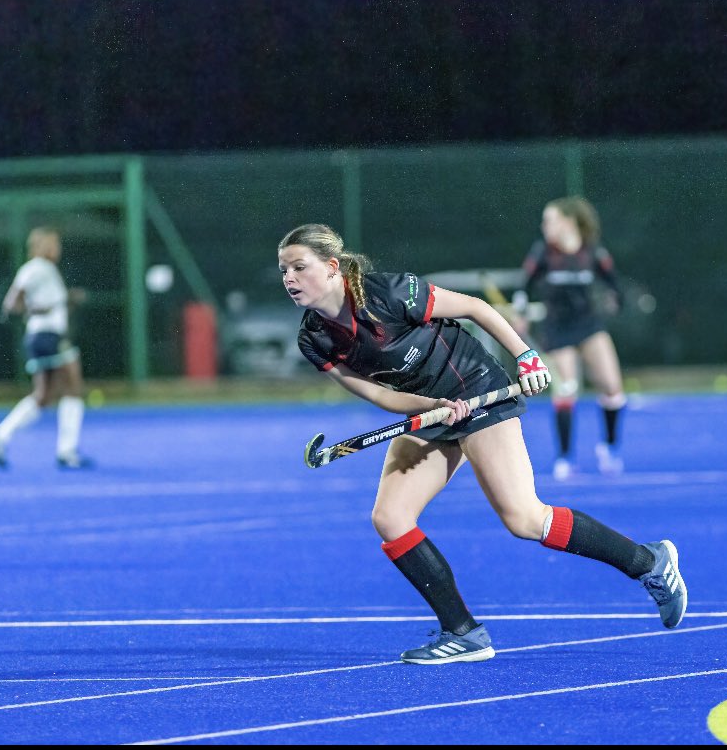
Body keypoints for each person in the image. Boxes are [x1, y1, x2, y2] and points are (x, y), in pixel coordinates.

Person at [279, 223, 686, 664]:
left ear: (333, 267)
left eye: (299, 267)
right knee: (391, 518)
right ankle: (464, 633)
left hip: (475, 387)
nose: (289, 279)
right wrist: (429, 404)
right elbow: (377, 392)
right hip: (430, 408)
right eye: (284, 270)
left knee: (524, 518)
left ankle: (648, 562)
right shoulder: (313, 337)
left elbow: (476, 308)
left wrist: (525, 355)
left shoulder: (390, 292)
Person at [515, 196, 627, 480]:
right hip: (558, 329)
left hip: (589, 326)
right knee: (566, 389)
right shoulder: (543, 252)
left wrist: (616, 300)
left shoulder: (593, 252)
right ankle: (565, 458)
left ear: (568, 221)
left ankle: (609, 448)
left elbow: (615, 284)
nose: (544, 226)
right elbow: (524, 287)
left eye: (549, 219)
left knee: (612, 387)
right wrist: (521, 312)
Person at [0, 227, 92, 470]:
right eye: (51, 244)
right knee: (73, 388)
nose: (56, 249)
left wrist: (64, 301)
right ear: (38, 246)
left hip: (40, 337)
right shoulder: (37, 268)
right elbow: (11, 304)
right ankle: (67, 451)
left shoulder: (44, 270)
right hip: (48, 337)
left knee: (42, 396)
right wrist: (38, 309)